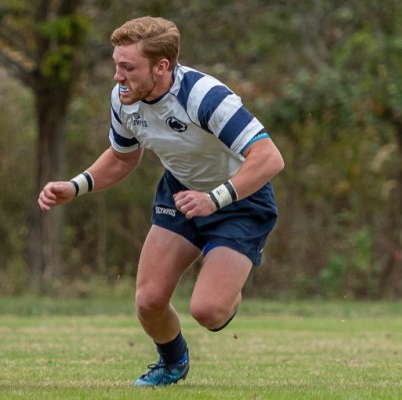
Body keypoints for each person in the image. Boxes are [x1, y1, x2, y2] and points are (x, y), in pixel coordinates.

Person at [38, 16, 284, 387]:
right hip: (181, 193)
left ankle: (229, 293)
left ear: (162, 66)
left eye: (128, 68)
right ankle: (172, 364)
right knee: (149, 302)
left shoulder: (204, 96)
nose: (117, 77)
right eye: (116, 65)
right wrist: (76, 186)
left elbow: (269, 158)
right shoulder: (123, 99)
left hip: (240, 200)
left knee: (209, 312)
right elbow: (122, 157)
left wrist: (214, 199)